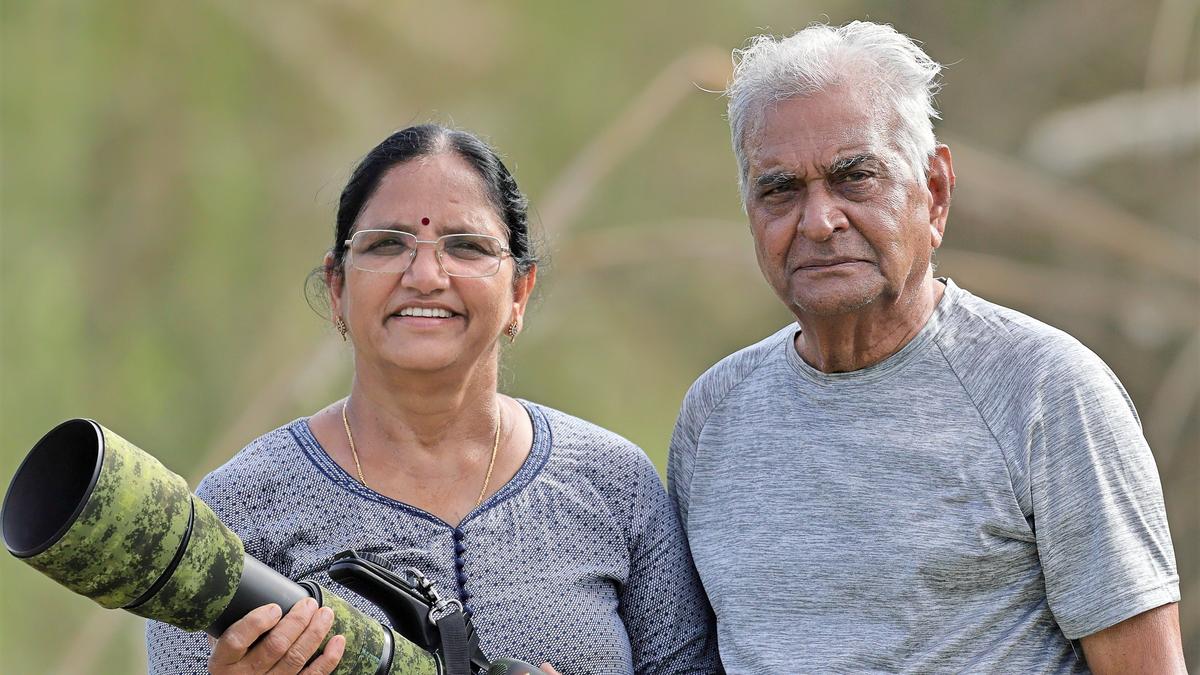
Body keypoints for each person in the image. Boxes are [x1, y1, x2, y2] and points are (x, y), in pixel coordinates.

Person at [668, 21, 1184, 673]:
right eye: (781, 189)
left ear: (934, 192)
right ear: (750, 212)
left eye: (855, 177)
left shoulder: (1048, 394)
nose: (819, 220)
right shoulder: (714, 415)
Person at [147, 124, 719, 674]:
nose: (425, 275)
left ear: (520, 290)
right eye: (387, 244)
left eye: (466, 247)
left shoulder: (615, 487)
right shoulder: (240, 508)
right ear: (338, 287)